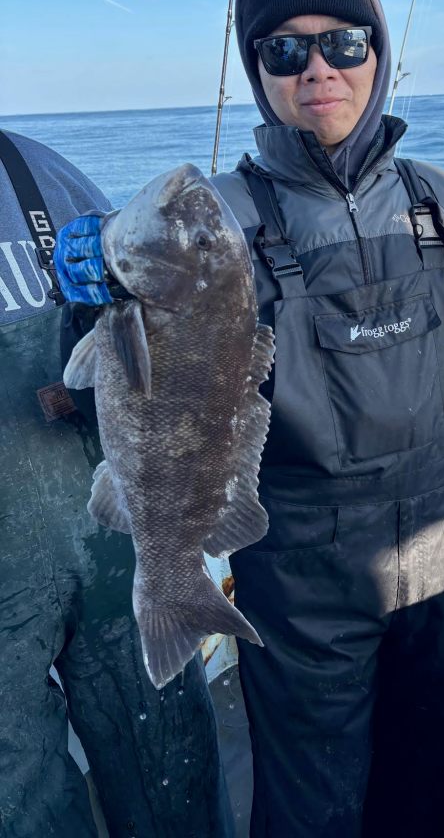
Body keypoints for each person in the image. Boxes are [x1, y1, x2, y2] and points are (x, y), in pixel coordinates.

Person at [53, 0, 444, 838]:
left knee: (434, 770)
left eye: (344, 42)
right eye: (283, 49)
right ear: (258, 71)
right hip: (300, 566)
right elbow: (133, 368)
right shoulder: (217, 220)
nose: (318, 69)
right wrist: (97, 280)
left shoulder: (443, 205)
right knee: (313, 805)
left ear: (377, 56)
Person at [0, 131, 233, 838]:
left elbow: (161, 327)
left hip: (110, 540)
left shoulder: (33, 168)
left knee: (168, 752)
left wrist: (114, 273)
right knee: (20, 791)